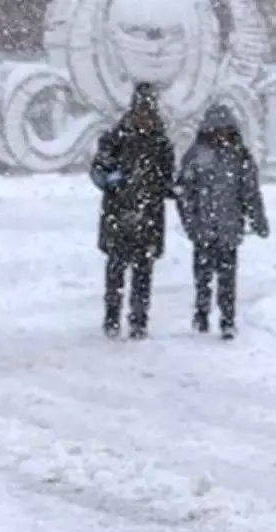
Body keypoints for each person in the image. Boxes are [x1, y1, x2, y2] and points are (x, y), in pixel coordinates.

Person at [174, 104, 269, 340]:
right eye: (216, 129)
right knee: (203, 276)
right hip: (203, 228)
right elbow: (184, 193)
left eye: (225, 129)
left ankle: (227, 318)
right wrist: (191, 222)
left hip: (229, 227)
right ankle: (202, 313)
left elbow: (250, 191)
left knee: (227, 278)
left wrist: (257, 219)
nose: (221, 134)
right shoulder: (196, 155)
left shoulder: (239, 156)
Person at [90, 82, 175, 340]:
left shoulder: (161, 144)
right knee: (116, 270)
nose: (144, 120)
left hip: (148, 217)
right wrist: (110, 178)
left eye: (147, 114)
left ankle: (139, 320)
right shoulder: (115, 139)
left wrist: (172, 190)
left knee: (143, 272)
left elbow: (166, 179)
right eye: (140, 113)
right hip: (119, 214)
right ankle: (112, 318)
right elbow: (98, 171)